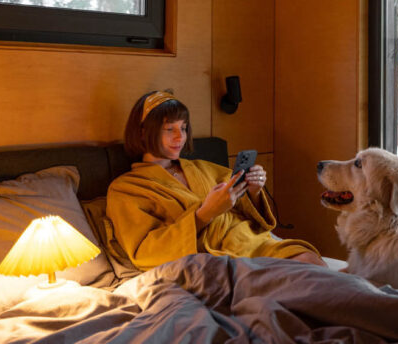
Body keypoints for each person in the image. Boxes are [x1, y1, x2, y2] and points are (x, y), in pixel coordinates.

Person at [105, 90, 326, 270]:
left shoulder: (203, 168)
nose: (179, 137)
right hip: (213, 259)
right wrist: (205, 214)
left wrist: (254, 191)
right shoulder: (126, 189)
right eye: (168, 129)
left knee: (311, 262)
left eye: (183, 127)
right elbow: (144, 252)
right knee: (305, 285)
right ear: (143, 133)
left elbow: (249, 213)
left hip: (252, 242)